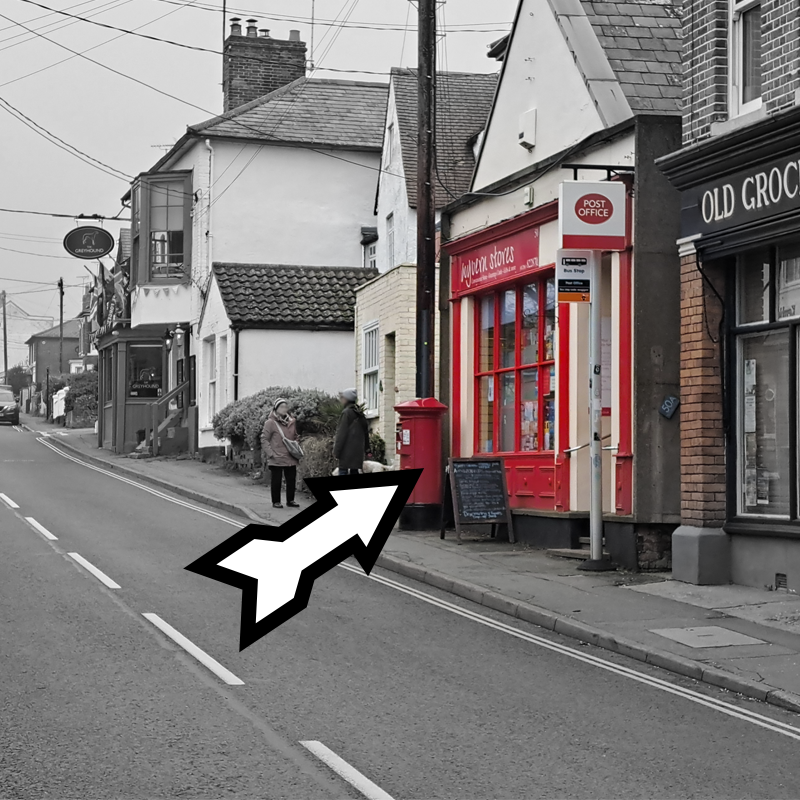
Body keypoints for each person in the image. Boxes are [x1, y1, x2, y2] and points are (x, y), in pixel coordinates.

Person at [261, 398, 301, 509]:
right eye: (282, 407)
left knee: (291, 480)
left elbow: (296, 436)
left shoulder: (292, 422)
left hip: (290, 456)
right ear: (276, 409)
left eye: (286, 407)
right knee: (276, 481)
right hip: (276, 456)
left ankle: (290, 500)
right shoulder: (270, 423)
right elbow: (264, 439)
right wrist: (270, 453)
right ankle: (276, 501)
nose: (284, 409)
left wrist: (296, 444)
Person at [334, 388, 369, 476]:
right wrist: (367, 449)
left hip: (346, 452)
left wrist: (336, 451)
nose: (341, 399)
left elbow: (341, 434)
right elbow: (366, 433)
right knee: (354, 471)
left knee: (343, 471)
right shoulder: (360, 414)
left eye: (342, 397)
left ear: (347, 399)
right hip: (358, 451)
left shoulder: (346, 413)